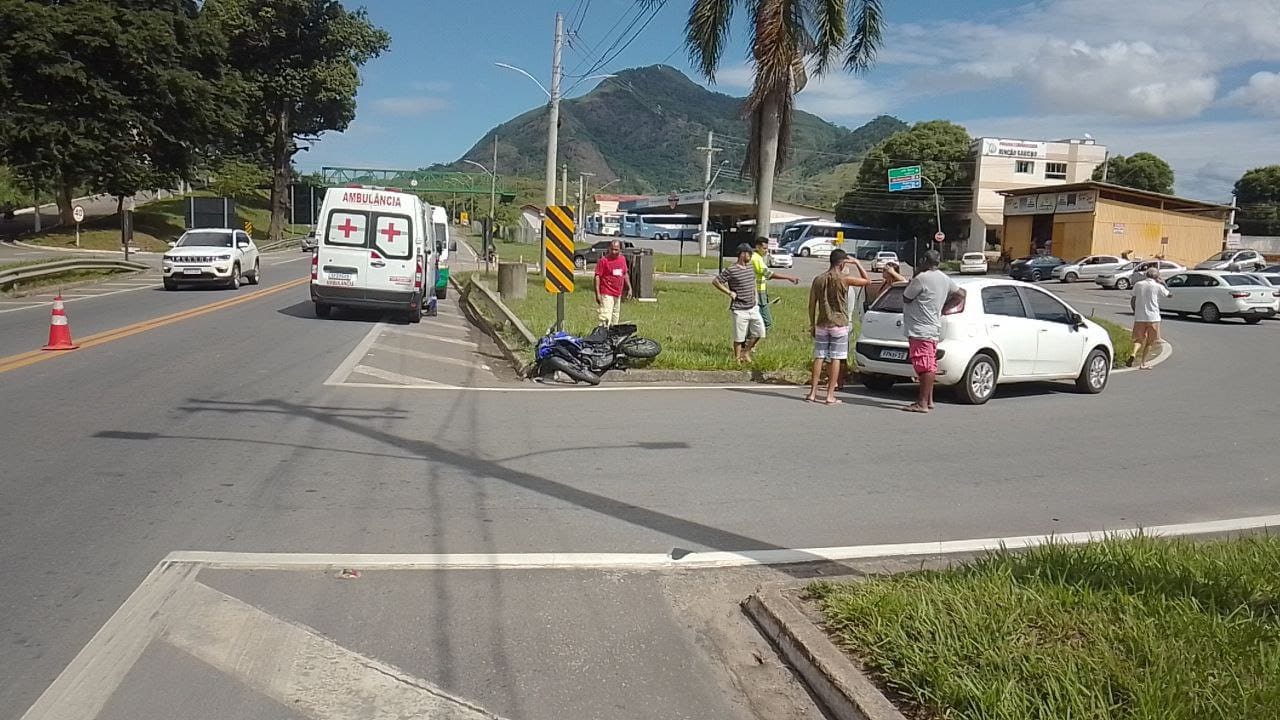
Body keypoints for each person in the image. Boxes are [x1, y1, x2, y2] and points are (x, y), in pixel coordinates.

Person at [806, 249, 905, 405]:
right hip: (839, 323)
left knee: (819, 357)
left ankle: (812, 393)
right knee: (836, 358)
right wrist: (858, 263)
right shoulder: (844, 279)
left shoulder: (818, 279)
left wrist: (812, 323)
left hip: (822, 323)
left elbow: (812, 304)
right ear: (842, 263)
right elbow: (867, 281)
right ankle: (829, 395)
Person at [901, 249, 965, 413]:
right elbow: (961, 294)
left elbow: (906, 297)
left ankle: (922, 403)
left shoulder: (921, 279)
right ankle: (928, 400)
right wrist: (945, 307)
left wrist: (916, 275)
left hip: (920, 328)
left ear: (924, 260)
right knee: (929, 362)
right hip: (932, 326)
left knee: (924, 366)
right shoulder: (945, 279)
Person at [712, 243, 765, 363]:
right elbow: (716, 281)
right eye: (749, 253)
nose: (750, 256)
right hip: (739, 308)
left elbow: (752, 283)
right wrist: (729, 292)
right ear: (742, 254)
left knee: (760, 332)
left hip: (753, 307)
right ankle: (737, 359)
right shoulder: (732, 270)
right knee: (739, 337)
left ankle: (745, 352)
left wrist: (756, 298)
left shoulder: (751, 267)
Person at [752, 237, 800, 329]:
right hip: (758, 291)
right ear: (757, 247)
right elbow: (769, 274)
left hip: (759, 290)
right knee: (767, 322)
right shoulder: (756, 259)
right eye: (764, 248)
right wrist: (789, 278)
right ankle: (752, 341)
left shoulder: (757, 258)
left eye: (767, 249)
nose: (766, 251)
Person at [1129, 266, 1170, 370]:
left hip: (1139, 317)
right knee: (1150, 342)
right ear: (1157, 276)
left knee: (1139, 339)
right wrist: (1163, 283)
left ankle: (1133, 353)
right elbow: (1169, 295)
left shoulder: (1138, 284)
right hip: (1153, 317)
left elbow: (1132, 295)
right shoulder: (1157, 286)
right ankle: (1143, 363)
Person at [594, 240, 631, 327]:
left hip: (617, 293)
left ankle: (612, 336)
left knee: (615, 315)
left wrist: (629, 288)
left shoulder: (622, 259)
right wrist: (597, 294)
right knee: (606, 316)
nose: (614, 252)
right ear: (609, 249)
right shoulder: (603, 261)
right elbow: (597, 276)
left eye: (616, 250)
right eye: (612, 249)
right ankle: (602, 335)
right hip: (607, 292)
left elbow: (624, 273)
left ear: (620, 250)